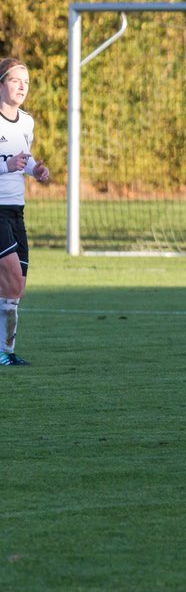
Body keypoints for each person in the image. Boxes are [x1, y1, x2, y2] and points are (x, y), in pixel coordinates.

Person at [0, 58, 52, 366]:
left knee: (16, 286)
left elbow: (26, 159)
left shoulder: (28, 122)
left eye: (27, 82)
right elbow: (9, 162)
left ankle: (6, 352)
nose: (22, 87)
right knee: (12, 276)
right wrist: (5, 165)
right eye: (16, 80)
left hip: (17, 212)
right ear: (2, 83)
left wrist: (37, 171)